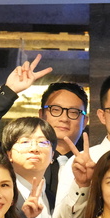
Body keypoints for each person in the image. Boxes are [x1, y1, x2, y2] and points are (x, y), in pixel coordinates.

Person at [40, 81, 89, 209]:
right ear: (41, 115)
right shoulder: (25, 161)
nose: (64, 118)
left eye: (73, 112)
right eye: (56, 110)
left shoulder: (92, 165)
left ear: (85, 121)